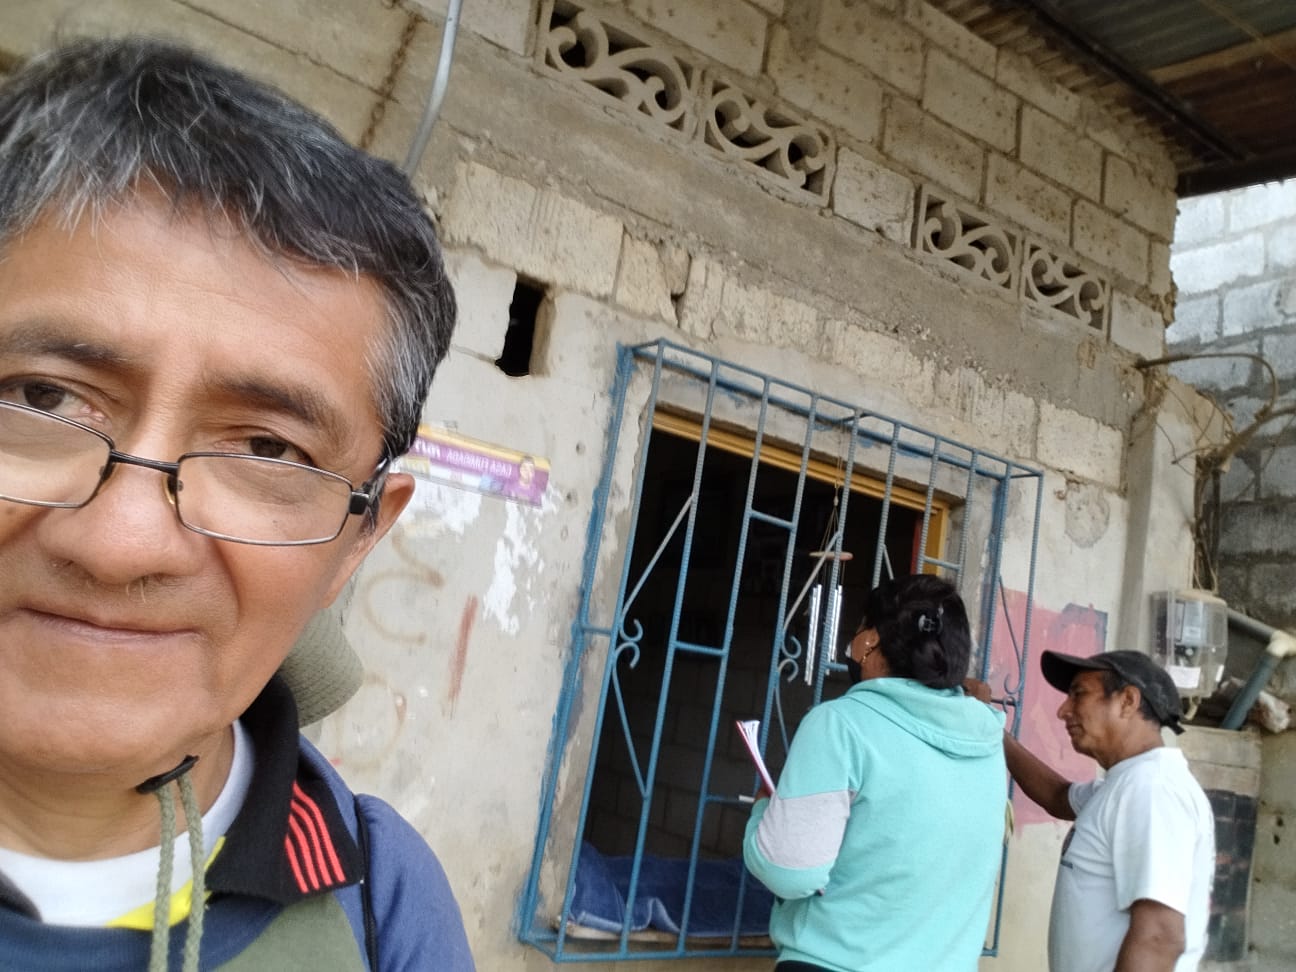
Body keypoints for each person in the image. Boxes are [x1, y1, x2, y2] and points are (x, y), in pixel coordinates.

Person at [0, 37, 475, 970]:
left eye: (268, 449)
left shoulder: (384, 907)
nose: (122, 543)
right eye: (44, 398)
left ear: (357, 541)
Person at [743, 574, 1007, 972]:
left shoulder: (840, 724)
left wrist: (763, 812)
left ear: (868, 641)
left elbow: (788, 871)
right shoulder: (987, 740)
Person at [970, 650, 1215, 972]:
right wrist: (989, 726)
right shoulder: (1126, 784)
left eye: (1079, 694)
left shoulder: (1151, 790)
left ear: (1127, 701)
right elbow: (1057, 796)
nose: (1063, 711)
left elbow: (1159, 937)